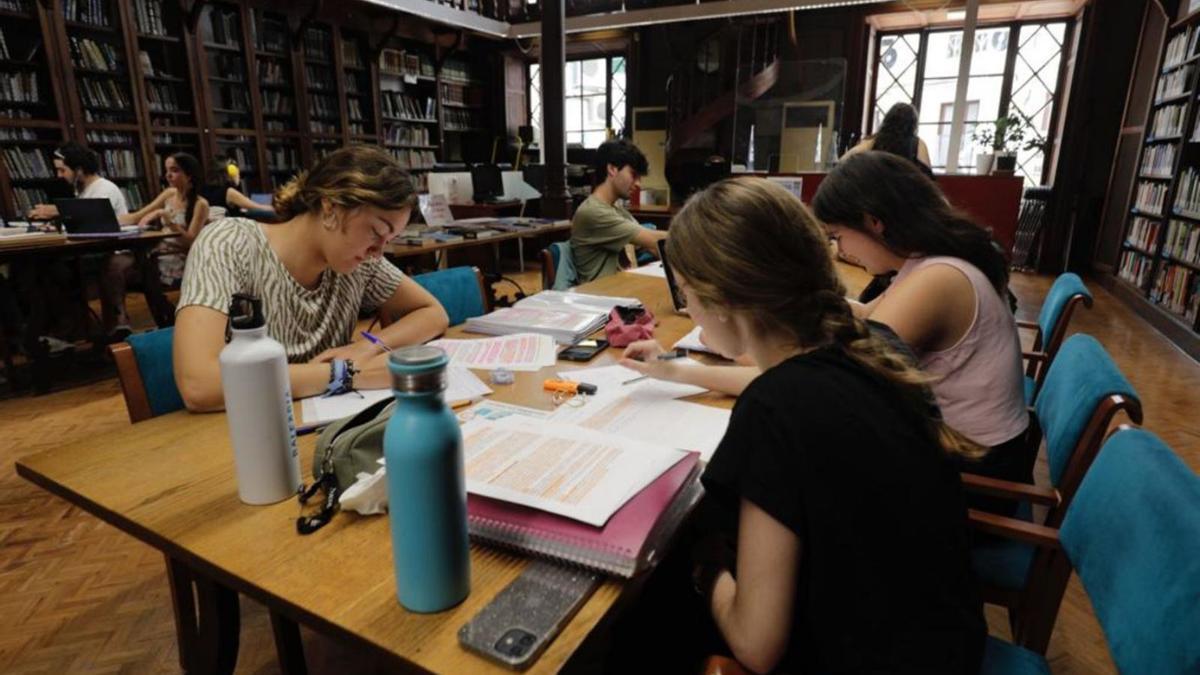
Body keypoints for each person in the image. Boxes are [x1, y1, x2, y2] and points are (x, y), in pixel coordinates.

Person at [612, 177, 985, 673]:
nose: (688, 310)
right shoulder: (875, 348)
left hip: (868, 656)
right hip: (944, 641)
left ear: (717, 298)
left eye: (685, 294)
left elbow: (756, 645)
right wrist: (676, 370)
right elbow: (784, 388)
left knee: (641, 612)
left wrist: (705, 567)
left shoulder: (776, 409)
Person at [173, 145, 449, 412]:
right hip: (245, 434)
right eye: (376, 233)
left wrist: (368, 346)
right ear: (330, 208)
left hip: (323, 424)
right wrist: (347, 373)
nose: (377, 254)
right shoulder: (229, 243)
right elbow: (199, 385)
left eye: (389, 240)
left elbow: (433, 313)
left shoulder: (356, 263)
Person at [812, 151, 1031, 487]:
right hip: (976, 450)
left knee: (806, 454)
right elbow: (868, 315)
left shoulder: (938, 279)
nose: (840, 250)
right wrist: (806, 301)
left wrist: (737, 356)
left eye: (838, 235)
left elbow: (846, 378)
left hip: (975, 473)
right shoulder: (931, 261)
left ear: (873, 222)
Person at [100, 153, 210, 337]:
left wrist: (168, 219)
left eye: (174, 170)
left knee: (143, 268)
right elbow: (136, 217)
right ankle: (120, 321)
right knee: (112, 264)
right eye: (167, 171)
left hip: (179, 258)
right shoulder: (168, 194)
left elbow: (192, 241)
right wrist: (104, 221)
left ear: (189, 174)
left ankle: (166, 322)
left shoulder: (201, 204)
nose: (168, 175)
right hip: (156, 253)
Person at [570, 139, 667, 283]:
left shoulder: (617, 210)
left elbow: (652, 246)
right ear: (612, 169)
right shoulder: (593, 212)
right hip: (599, 299)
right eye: (633, 175)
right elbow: (654, 240)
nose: (638, 183)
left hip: (621, 292)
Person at [27, 142, 129, 220]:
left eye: (62, 170)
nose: (59, 175)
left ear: (79, 170)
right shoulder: (81, 189)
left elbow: (95, 217)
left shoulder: (105, 188)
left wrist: (58, 210)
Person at [843, 102, 933, 178]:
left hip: (875, 192)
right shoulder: (918, 144)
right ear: (913, 124)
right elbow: (928, 176)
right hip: (906, 193)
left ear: (887, 120)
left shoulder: (873, 141)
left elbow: (844, 161)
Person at [201, 157, 274, 220]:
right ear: (230, 173)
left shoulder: (204, 189)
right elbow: (258, 208)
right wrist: (279, 209)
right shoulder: (229, 192)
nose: (239, 174)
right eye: (237, 171)